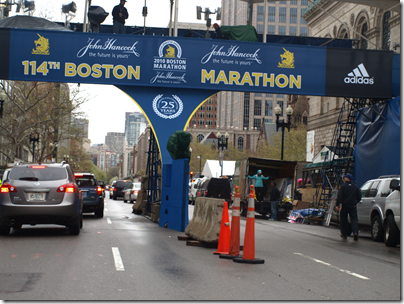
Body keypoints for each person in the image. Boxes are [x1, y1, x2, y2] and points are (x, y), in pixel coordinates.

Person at [336, 173, 361, 241]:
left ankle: (344, 234)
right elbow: (359, 196)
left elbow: (340, 196)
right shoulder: (355, 186)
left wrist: (337, 205)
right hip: (353, 205)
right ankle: (355, 232)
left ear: (347, 178)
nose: (344, 178)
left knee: (344, 219)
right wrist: (356, 202)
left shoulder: (343, 186)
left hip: (345, 205)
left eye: (345, 177)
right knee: (354, 219)